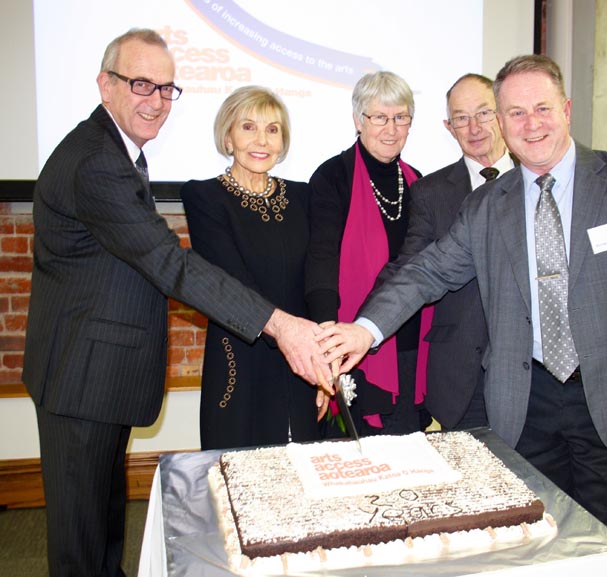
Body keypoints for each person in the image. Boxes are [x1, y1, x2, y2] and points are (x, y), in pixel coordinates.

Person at [319, 54, 607, 544]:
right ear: (503, 122)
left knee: (605, 540)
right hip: (525, 403)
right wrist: (363, 329)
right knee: (535, 536)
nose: (531, 123)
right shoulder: (486, 205)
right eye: (515, 113)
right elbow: (428, 271)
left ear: (566, 109)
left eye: (541, 108)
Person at [22, 29, 331, 577]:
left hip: (100, 376)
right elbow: (169, 263)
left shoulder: (120, 153)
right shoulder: (96, 161)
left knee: (103, 534)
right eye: (140, 83)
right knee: (79, 546)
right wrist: (282, 327)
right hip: (80, 377)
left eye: (167, 88)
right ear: (105, 85)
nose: (156, 100)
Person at [181, 86, 327, 449]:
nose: (262, 140)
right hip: (240, 367)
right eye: (248, 127)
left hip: (301, 367)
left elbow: (316, 280)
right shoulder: (204, 197)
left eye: (273, 129)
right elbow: (230, 282)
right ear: (228, 137)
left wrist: (323, 362)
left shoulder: (303, 196)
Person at [379, 73, 512, 430]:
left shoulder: (535, 179)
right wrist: (361, 321)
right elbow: (411, 266)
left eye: (483, 113)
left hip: (531, 377)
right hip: (460, 378)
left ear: (501, 113)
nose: (474, 127)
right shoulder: (429, 191)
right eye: (460, 118)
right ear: (448, 127)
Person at [305, 71, 432, 436]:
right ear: (358, 120)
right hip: (354, 346)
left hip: (409, 343)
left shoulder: (418, 180)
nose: (391, 129)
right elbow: (321, 259)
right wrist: (329, 344)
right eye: (379, 117)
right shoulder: (332, 176)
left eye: (400, 117)